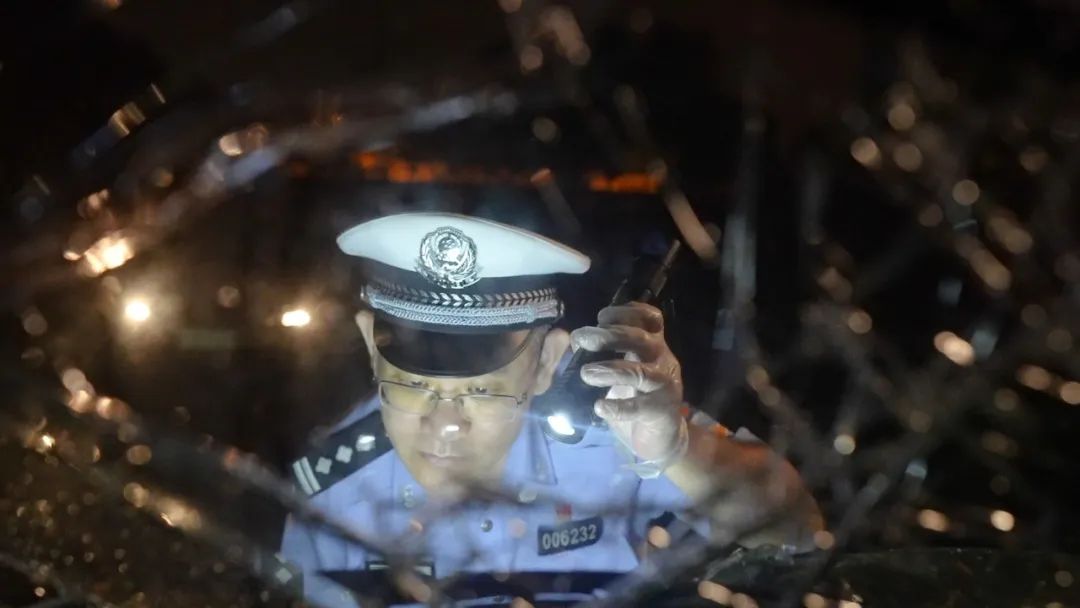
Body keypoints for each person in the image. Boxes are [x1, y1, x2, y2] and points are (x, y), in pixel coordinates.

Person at [280, 212, 822, 605]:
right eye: (412, 386)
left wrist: (676, 450)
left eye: (483, 391)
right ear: (370, 348)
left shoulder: (611, 430)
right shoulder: (332, 492)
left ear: (546, 364)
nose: (444, 423)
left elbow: (796, 530)